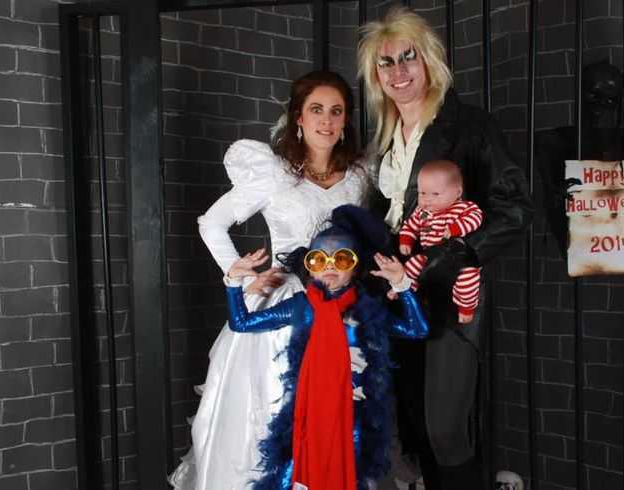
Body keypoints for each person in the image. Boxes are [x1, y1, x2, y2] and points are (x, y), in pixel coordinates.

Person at [168, 70, 373, 490]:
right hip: (286, 309)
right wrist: (244, 278)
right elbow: (212, 223)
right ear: (298, 116)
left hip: (342, 310)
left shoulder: (360, 177)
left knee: (342, 425)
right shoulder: (273, 173)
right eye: (316, 110)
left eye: (336, 111)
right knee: (273, 419)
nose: (327, 121)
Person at [358, 7, 533, 489]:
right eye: (385, 63)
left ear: (429, 60)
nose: (398, 72)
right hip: (398, 298)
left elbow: (515, 209)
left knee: (446, 428)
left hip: (450, 300)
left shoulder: (469, 126)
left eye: (407, 58)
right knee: (414, 425)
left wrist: (445, 257)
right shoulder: (386, 138)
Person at [223, 205, 428, 490]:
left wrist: (402, 285)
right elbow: (242, 324)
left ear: (355, 267)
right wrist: (233, 282)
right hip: (310, 414)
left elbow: (418, 330)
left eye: (341, 258)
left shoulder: (368, 309)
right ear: (309, 267)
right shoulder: (302, 306)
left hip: (355, 416)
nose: (329, 266)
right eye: (319, 260)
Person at [397, 160, 483, 324]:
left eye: (435, 194)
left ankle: (466, 308)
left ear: (458, 191)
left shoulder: (463, 208)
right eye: (422, 193)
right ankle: (404, 291)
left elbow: (475, 218)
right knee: (412, 265)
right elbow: (411, 225)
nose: (427, 200)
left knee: (468, 280)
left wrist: (456, 228)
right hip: (429, 254)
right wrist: (406, 240)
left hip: (459, 257)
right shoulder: (422, 211)